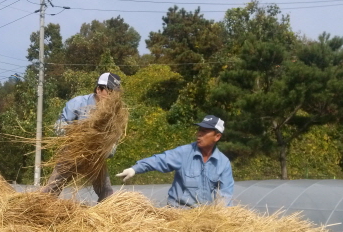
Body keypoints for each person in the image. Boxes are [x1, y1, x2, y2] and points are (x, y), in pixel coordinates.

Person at [116, 115, 234, 207]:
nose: (199, 134)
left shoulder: (223, 163)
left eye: (205, 131)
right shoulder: (184, 153)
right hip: (178, 213)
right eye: (199, 130)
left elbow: (225, 195)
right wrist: (135, 169)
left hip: (202, 217)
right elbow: (160, 160)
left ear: (217, 137)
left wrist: (221, 218)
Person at [41, 72, 122, 202]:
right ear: (98, 89)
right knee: (52, 187)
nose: (112, 97)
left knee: (106, 193)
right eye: (109, 91)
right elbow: (59, 126)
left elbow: (113, 142)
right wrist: (78, 134)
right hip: (72, 152)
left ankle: (107, 214)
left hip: (96, 156)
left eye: (115, 93)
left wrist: (105, 150)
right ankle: (42, 206)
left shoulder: (114, 113)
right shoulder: (78, 103)